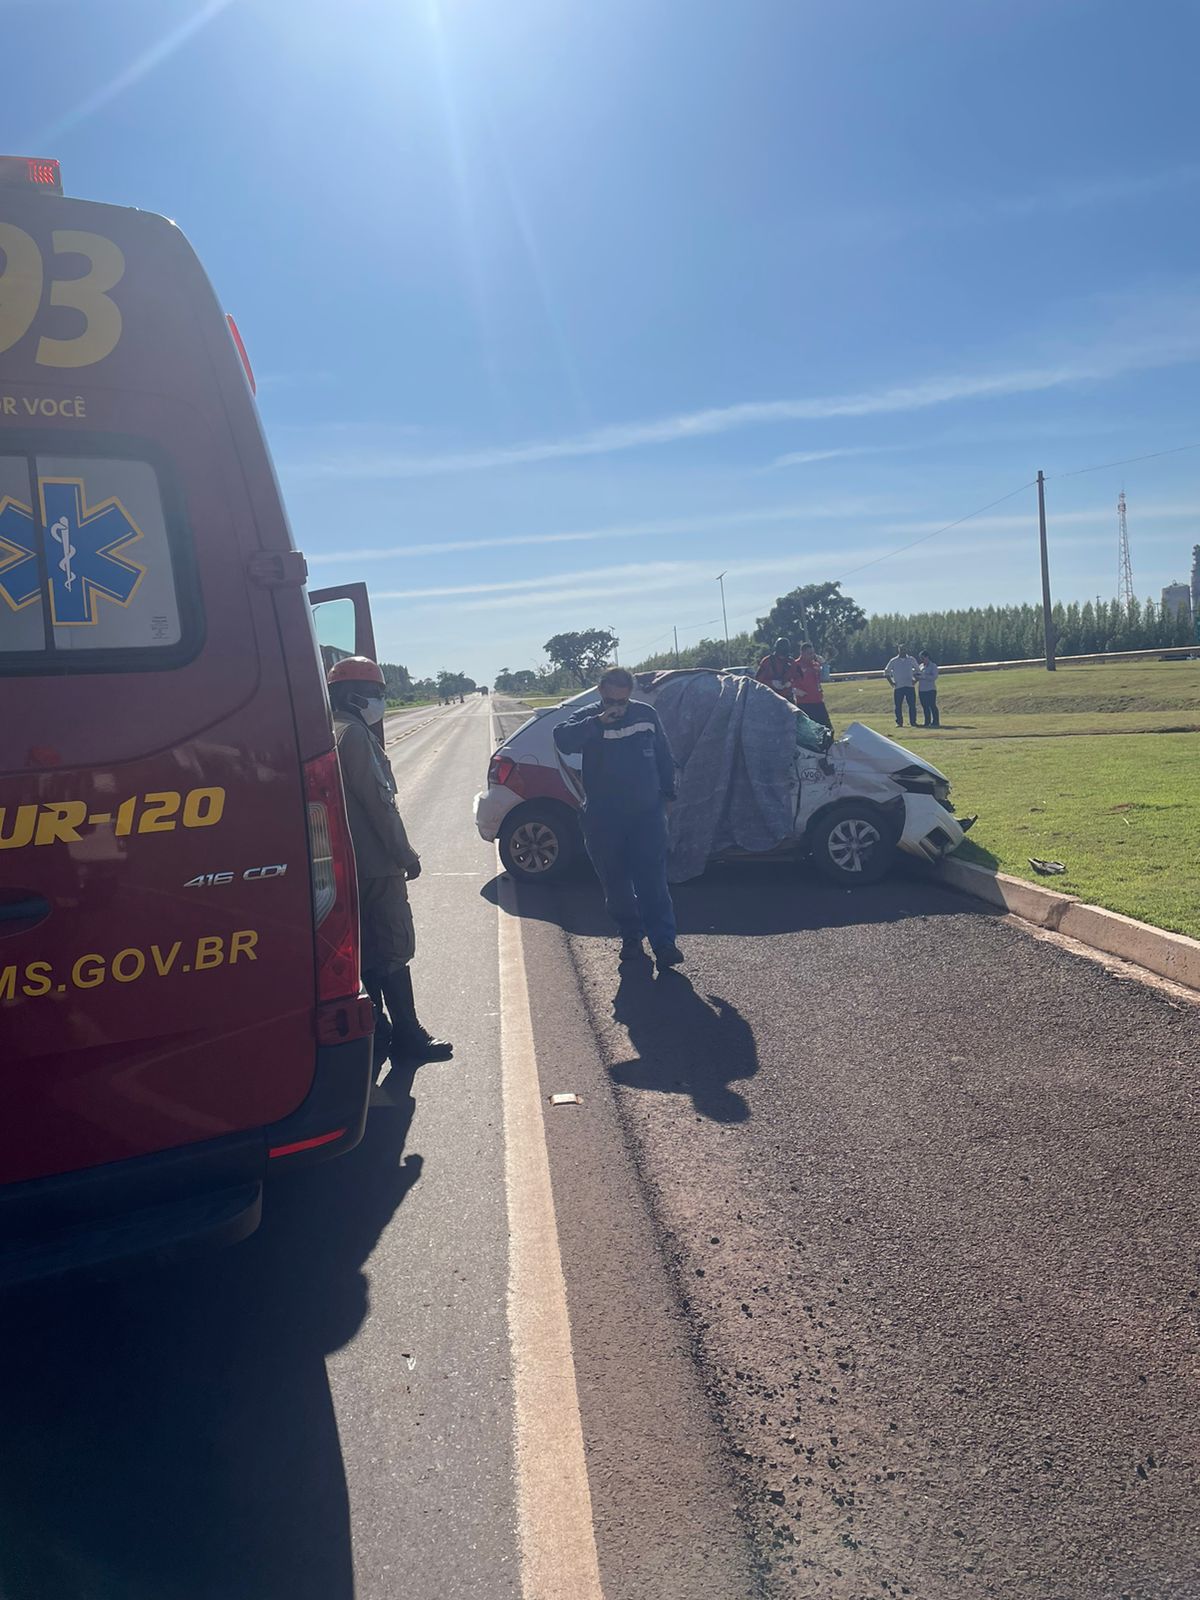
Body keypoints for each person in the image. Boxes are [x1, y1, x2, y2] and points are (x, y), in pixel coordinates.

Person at [328, 656, 452, 1073]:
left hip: (343, 863)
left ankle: (377, 1030)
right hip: (376, 864)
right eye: (378, 693)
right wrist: (405, 854)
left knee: (362, 949)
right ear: (354, 695)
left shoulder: (325, 731)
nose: (380, 701)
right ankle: (408, 1033)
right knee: (394, 948)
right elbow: (379, 805)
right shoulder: (354, 735)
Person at [553, 667, 684, 971]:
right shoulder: (588, 719)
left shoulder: (645, 715)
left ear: (630, 694)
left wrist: (668, 797)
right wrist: (597, 723)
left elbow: (665, 757)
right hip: (604, 816)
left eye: (623, 700)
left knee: (652, 880)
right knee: (615, 882)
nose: (618, 707)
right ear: (601, 693)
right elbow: (563, 739)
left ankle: (664, 943)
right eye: (612, 700)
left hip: (646, 815)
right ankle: (631, 938)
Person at [791, 641, 833, 731]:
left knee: (827, 728)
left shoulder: (815, 665)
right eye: (809, 653)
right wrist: (794, 690)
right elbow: (788, 682)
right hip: (804, 703)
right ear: (802, 653)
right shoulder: (795, 665)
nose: (812, 655)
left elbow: (825, 678)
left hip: (818, 701)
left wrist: (824, 664)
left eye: (813, 653)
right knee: (808, 730)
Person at [884, 645, 919, 729]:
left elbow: (918, 670)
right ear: (898, 650)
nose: (903, 651)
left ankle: (913, 722)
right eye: (901, 650)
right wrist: (892, 683)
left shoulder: (911, 659)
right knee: (898, 705)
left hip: (909, 686)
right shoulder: (893, 661)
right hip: (899, 686)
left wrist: (915, 680)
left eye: (904, 650)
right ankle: (899, 722)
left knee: (912, 705)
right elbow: (886, 671)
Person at [756, 637, 797, 703]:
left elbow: (798, 678)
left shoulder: (791, 662)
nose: (782, 657)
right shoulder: (767, 661)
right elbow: (758, 681)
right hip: (770, 698)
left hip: (787, 698)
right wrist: (771, 683)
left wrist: (790, 683)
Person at [917, 651, 940, 727]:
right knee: (925, 706)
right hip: (922, 690)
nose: (922, 660)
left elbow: (934, 677)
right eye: (921, 658)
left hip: (930, 689)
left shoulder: (933, 666)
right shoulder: (920, 666)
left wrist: (924, 677)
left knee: (932, 705)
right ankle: (927, 722)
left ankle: (936, 722)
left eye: (923, 658)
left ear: (927, 657)